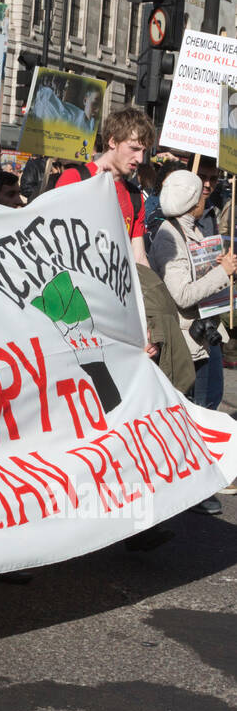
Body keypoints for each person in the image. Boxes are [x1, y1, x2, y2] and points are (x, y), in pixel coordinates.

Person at [149, 169, 237, 514]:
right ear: (188, 201)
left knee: (211, 399)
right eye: (201, 195)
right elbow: (182, 293)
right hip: (188, 340)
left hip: (207, 332)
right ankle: (195, 488)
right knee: (196, 412)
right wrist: (222, 273)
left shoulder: (194, 230)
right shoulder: (168, 237)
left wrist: (213, 265)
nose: (206, 200)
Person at [56, 106, 154, 266]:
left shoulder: (135, 195)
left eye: (144, 151)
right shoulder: (75, 178)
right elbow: (57, 240)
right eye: (134, 149)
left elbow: (139, 259)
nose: (140, 159)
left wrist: (152, 290)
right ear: (112, 141)